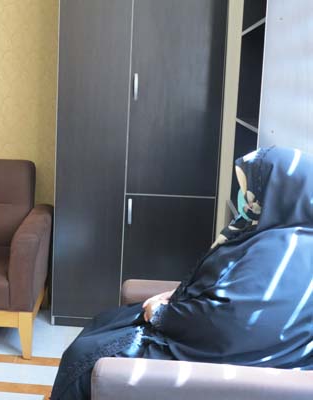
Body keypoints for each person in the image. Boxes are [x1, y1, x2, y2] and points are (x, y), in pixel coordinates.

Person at [51, 146, 313, 399]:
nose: (244, 197)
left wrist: (161, 313)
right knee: (104, 322)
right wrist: (177, 296)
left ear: (277, 194)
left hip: (213, 358)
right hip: (233, 347)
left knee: (85, 354)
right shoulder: (284, 238)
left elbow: (229, 321)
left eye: (251, 191)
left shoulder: (277, 251)